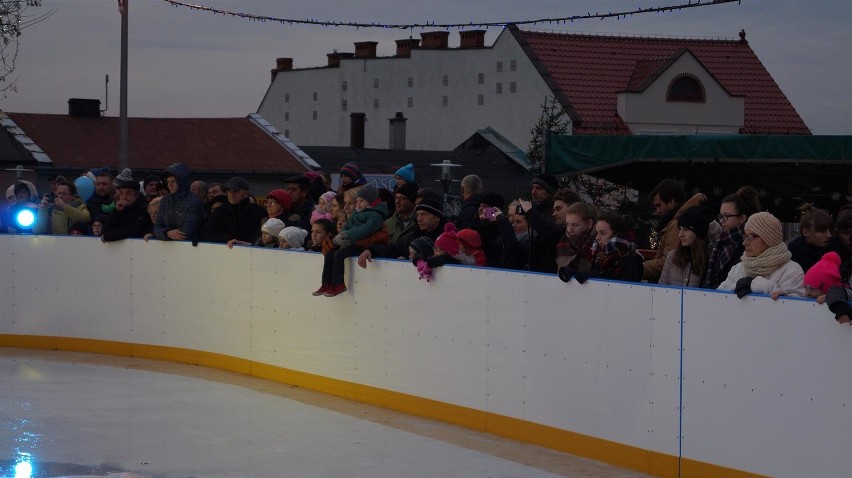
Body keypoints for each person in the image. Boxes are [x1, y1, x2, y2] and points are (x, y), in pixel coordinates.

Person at [314, 185, 387, 297]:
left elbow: (366, 229)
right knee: (330, 255)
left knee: (338, 255)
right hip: (351, 242)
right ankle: (326, 283)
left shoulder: (375, 216)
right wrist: (341, 235)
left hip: (361, 245)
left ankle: (339, 284)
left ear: (372, 202)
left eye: (361, 201)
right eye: (357, 201)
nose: (358, 204)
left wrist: (348, 235)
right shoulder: (357, 214)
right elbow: (347, 226)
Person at [718, 211, 805, 298]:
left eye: (751, 237)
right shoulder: (738, 269)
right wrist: (734, 287)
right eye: (745, 236)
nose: (745, 243)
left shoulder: (791, 271)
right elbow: (718, 298)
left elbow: (798, 307)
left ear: (768, 239)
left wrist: (760, 285)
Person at [357, 191, 447, 268]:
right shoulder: (413, 235)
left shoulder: (450, 237)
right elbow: (393, 249)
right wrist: (371, 250)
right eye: (418, 214)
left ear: (437, 217)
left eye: (424, 214)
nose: (419, 219)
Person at [643, 179, 707, 283]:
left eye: (659, 205)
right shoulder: (672, 223)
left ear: (672, 202)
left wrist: (640, 267)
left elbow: (666, 263)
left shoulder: (675, 225)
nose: (657, 211)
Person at [560, 210, 643, 283]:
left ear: (617, 235)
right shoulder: (598, 256)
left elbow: (624, 289)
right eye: (597, 232)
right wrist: (574, 273)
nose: (597, 237)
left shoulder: (629, 261)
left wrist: (595, 276)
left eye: (602, 233)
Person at [703, 186, 761, 289]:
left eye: (726, 216)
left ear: (742, 218)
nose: (721, 220)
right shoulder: (720, 242)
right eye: (720, 216)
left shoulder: (751, 245)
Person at [201, 176, 267, 247]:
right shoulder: (220, 211)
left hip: (254, 253)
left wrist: (251, 243)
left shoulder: (259, 211)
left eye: (236, 191)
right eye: (229, 191)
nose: (231, 194)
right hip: (227, 253)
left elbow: (263, 234)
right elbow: (207, 233)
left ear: (246, 193)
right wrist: (229, 239)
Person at [659, 205, 716, 287]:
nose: (680, 235)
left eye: (686, 229)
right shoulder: (672, 256)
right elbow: (662, 287)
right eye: (680, 229)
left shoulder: (709, 257)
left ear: (698, 233)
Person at [516, 174, 562, 273]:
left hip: (549, 272)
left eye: (539, 188)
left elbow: (549, 234)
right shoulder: (537, 211)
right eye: (532, 188)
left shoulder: (555, 214)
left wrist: (531, 213)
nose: (533, 192)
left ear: (550, 191)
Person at [152, 163, 205, 243]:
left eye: (173, 181)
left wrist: (165, 233)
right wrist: (167, 233)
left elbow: (185, 233)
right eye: (168, 181)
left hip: (190, 248)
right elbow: (157, 227)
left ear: (182, 182)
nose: (170, 185)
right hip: (168, 247)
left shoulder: (194, 202)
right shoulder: (165, 200)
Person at [101, 169, 153, 242]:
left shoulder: (144, 210)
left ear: (136, 195)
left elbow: (134, 231)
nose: (123, 197)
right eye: (121, 193)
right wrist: (117, 211)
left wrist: (109, 236)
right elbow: (105, 229)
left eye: (128, 194)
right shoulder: (120, 208)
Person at [787, 204, 839, 273]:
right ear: (806, 232)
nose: (829, 235)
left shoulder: (836, 249)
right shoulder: (791, 255)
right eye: (822, 231)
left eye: (829, 230)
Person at [556, 202, 597, 273]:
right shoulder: (563, 243)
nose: (570, 229)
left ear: (589, 223)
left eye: (575, 225)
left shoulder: (597, 242)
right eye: (568, 225)